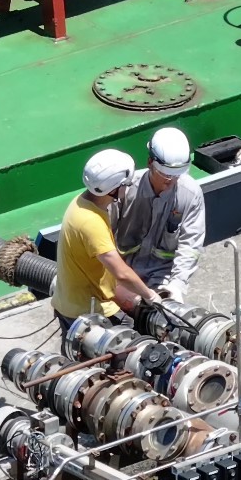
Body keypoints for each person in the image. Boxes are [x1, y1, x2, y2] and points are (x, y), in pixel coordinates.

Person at [52, 149, 162, 341]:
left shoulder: (80, 203)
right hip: (87, 312)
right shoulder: (91, 223)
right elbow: (121, 273)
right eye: (124, 185)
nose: (126, 189)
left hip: (68, 304)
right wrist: (150, 295)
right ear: (112, 189)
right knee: (133, 345)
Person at [113, 127, 207, 303]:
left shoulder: (190, 194)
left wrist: (176, 285)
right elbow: (104, 237)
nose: (171, 180)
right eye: (165, 175)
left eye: (177, 175)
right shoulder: (127, 190)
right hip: (123, 273)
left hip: (162, 277)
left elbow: (190, 245)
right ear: (150, 163)